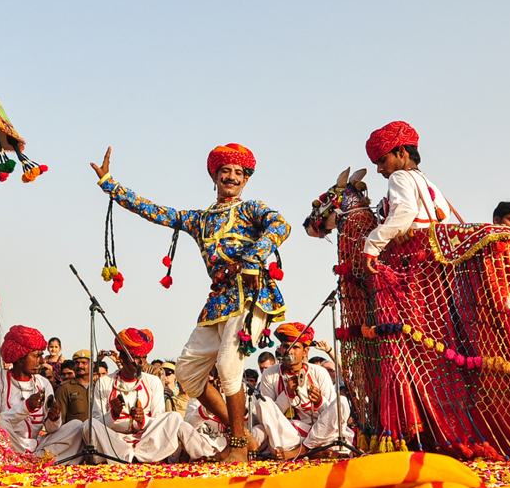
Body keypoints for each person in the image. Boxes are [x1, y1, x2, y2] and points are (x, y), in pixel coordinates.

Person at [91, 144, 289, 463]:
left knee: (227, 366)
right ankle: (244, 435)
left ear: (246, 180)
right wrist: (110, 184)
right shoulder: (200, 220)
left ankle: (237, 444)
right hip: (219, 302)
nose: (232, 177)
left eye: (239, 173)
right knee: (187, 372)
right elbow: (155, 212)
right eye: (225, 171)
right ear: (214, 175)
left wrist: (254, 257)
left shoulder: (253, 209)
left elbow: (280, 225)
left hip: (251, 295)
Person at [88, 328, 195, 464]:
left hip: (146, 440)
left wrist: (143, 419)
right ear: (122, 358)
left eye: (144, 358)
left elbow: (159, 420)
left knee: (174, 417)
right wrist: (113, 414)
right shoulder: (104, 382)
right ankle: (126, 456)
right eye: (136, 358)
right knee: (88, 426)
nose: (141, 363)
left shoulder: (153, 381)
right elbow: (97, 422)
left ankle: (138, 456)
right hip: (116, 441)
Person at [360, 121, 454, 274]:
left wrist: (372, 245)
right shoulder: (429, 184)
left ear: (402, 152)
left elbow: (405, 211)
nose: (379, 169)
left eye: (383, 160)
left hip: (413, 268)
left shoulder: (399, 177)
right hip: (437, 268)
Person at [253, 323, 352, 459]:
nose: (290, 352)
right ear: (281, 349)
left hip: (319, 433)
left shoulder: (319, 372)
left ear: (305, 351)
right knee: (262, 404)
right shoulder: (270, 374)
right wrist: (287, 395)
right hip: (288, 434)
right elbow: (268, 416)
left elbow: (330, 415)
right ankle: (311, 451)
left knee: (342, 403)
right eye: (286, 347)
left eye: (295, 347)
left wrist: (319, 401)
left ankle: (304, 450)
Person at [0, 326, 83, 460]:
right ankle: (25, 459)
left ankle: (33, 460)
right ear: (19, 359)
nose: (42, 361)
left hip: (37, 444)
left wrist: (54, 418)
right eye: (37, 356)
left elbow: (51, 429)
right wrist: (27, 407)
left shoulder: (43, 382)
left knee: (77, 426)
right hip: (9, 444)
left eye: (42, 356)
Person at [54, 350, 92, 424]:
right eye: (77, 363)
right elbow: (60, 420)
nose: (80, 366)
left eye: (84, 363)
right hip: (74, 433)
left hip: (95, 433)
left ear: (92, 365)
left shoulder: (98, 387)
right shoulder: (65, 388)